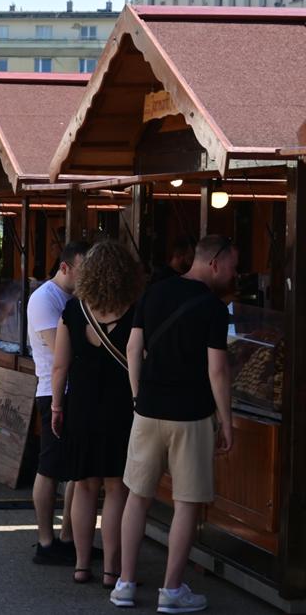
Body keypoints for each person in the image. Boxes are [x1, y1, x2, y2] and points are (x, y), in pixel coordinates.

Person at [111, 235, 235, 612]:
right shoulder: (214, 308)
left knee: (137, 496)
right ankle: (171, 590)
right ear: (213, 263)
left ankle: (125, 583)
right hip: (192, 415)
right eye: (232, 265)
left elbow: (133, 349)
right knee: (186, 503)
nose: (234, 273)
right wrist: (226, 421)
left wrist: (137, 397)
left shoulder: (154, 293)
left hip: (147, 410)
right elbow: (217, 370)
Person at [49, 241, 142, 586]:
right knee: (117, 488)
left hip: (82, 408)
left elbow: (60, 366)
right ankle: (111, 570)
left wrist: (57, 406)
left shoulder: (74, 311)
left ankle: (81, 564)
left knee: (84, 486)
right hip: (122, 409)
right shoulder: (135, 311)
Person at [27, 240, 89, 564]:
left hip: (74, 390)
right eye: (83, 268)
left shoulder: (75, 298)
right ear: (65, 267)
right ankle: (45, 540)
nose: (88, 275)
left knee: (77, 469)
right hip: (52, 390)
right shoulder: (44, 299)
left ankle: (69, 537)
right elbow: (59, 351)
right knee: (49, 467)